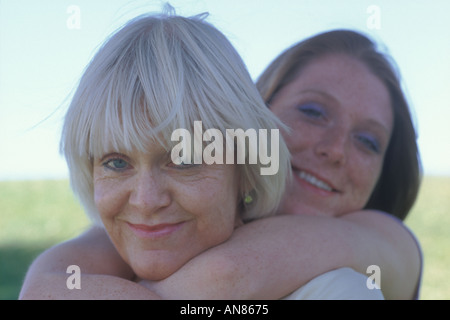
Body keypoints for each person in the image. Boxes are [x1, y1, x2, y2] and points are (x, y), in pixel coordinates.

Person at [20, 11, 420, 300]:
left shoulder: (374, 254)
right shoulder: (160, 222)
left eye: (368, 141)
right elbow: (45, 288)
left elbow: (229, 273)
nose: (334, 149)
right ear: (258, 110)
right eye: (313, 112)